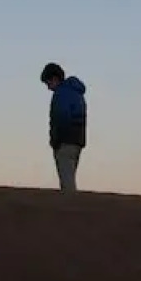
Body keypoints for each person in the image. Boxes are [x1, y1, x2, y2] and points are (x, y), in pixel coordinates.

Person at [40, 62, 87, 192]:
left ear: (55, 78)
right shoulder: (77, 93)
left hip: (65, 141)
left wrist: (55, 141)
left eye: (48, 83)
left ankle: (71, 204)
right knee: (69, 176)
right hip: (77, 140)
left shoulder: (61, 94)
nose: (48, 87)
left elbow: (61, 118)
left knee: (67, 181)